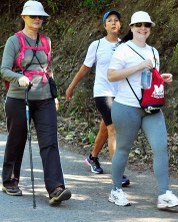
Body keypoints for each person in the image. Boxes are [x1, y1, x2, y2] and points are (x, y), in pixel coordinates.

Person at [106, 10, 178, 208]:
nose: (143, 28)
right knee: (123, 148)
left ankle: (164, 194)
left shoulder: (154, 51)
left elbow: (149, 77)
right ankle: (116, 190)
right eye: (139, 25)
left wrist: (162, 77)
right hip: (126, 106)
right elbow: (112, 76)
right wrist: (138, 66)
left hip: (151, 107)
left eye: (147, 25)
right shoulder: (122, 50)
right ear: (131, 28)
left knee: (161, 148)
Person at [1, 0, 71, 206]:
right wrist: (18, 77)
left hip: (45, 99)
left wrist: (55, 95)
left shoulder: (46, 41)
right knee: (17, 140)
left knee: (50, 142)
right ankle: (9, 180)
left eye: (41, 16)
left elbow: (48, 70)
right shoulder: (14, 41)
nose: (38, 19)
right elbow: (4, 69)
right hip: (18, 98)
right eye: (33, 16)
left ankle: (56, 188)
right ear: (24, 17)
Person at [65, 9, 129, 187]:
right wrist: (71, 86)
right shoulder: (97, 45)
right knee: (113, 129)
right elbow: (85, 68)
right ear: (105, 25)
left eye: (117, 20)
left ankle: (92, 158)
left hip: (121, 93)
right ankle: (118, 174)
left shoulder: (125, 45)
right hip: (103, 92)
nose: (114, 23)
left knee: (105, 127)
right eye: (110, 20)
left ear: (121, 24)